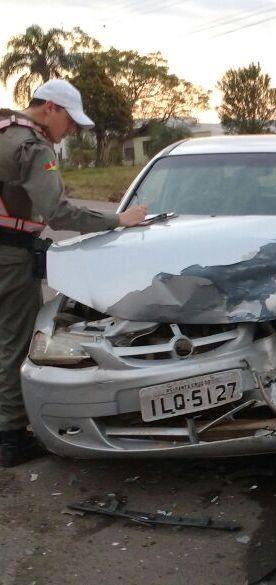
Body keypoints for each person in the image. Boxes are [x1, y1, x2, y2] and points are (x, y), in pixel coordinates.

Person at [0, 79, 147, 467]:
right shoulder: (30, 145)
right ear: (50, 108)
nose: (71, 131)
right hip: (8, 257)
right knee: (13, 342)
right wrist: (119, 219)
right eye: (70, 122)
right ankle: (11, 438)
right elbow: (60, 213)